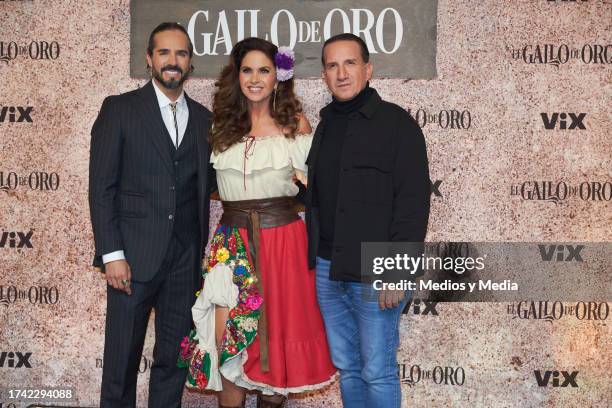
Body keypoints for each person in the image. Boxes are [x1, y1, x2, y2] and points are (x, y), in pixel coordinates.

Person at [177, 37, 336, 408]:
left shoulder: (295, 124)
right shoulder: (219, 125)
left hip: (283, 241)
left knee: (276, 341)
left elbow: (319, 190)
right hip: (231, 243)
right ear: (237, 76)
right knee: (225, 341)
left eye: (264, 70)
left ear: (278, 76)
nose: (255, 78)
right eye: (247, 70)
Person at [89, 22, 214, 407]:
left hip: (184, 262)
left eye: (180, 54)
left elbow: (209, 184)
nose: (172, 61)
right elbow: (102, 187)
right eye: (164, 53)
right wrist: (112, 255)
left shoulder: (204, 119)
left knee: (173, 363)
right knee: (121, 364)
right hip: (131, 260)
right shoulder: (120, 109)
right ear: (150, 59)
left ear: (190, 63)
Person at [304, 33, 431, 408]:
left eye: (350, 63)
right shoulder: (324, 124)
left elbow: (413, 205)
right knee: (349, 367)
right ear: (324, 75)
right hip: (328, 269)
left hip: (377, 272)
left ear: (368, 69)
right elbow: (324, 195)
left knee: (377, 371)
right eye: (332, 65)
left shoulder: (398, 125)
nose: (341, 73)